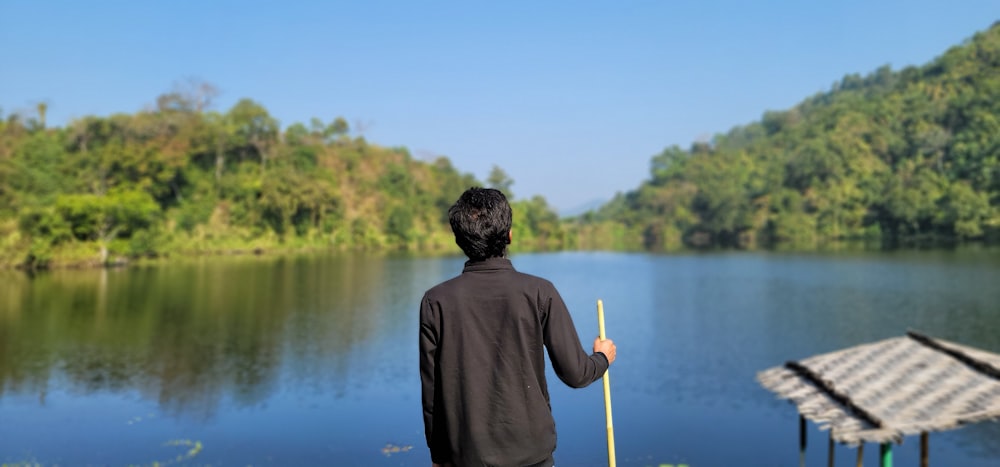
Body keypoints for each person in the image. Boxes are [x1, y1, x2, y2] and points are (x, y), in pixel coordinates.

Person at [419, 187, 617, 467]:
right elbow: (576, 374)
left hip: (464, 456)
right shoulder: (539, 292)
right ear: (509, 235)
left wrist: (438, 455)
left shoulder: (435, 301)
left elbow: (432, 391)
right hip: (531, 454)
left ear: (459, 239)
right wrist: (602, 357)